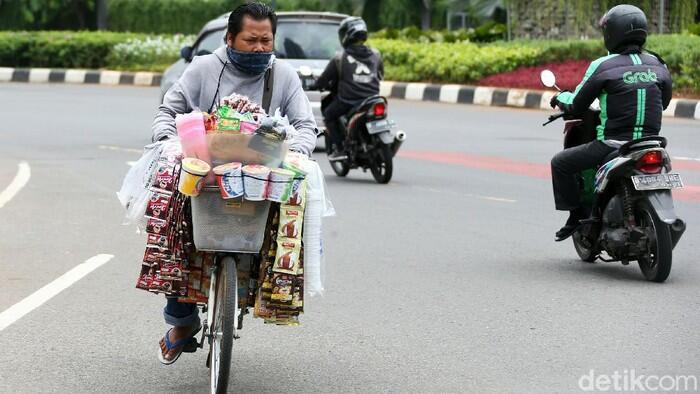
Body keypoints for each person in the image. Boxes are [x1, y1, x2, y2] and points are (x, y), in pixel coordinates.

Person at [151, 2, 317, 364]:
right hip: (204, 171)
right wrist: (169, 143)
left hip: (261, 174)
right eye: (251, 40)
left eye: (266, 40)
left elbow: (305, 125)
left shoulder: (283, 76)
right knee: (176, 230)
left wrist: (298, 152)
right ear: (230, 38)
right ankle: (182, 321)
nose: (260, 48)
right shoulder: (203, 69)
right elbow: (168, 111)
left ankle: (263, 296)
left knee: (283, 229)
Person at [550, 4, 672, 242]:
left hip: (614, 144)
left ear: (611, 33)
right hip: (651, 143)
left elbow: (576, 105)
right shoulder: (659, 64)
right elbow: (664, 102)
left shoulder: (604, 65)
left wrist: (559, 97)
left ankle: (577, 215)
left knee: (560, 163)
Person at [311, 16, 384, 160]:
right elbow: (380, 75)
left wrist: (315, 85)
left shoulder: (340, 58)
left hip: (348, 101)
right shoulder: (376, 54)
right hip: (373, 99)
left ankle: (339, 148)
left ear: (346, 35)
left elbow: (324, 80)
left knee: (329, 115)